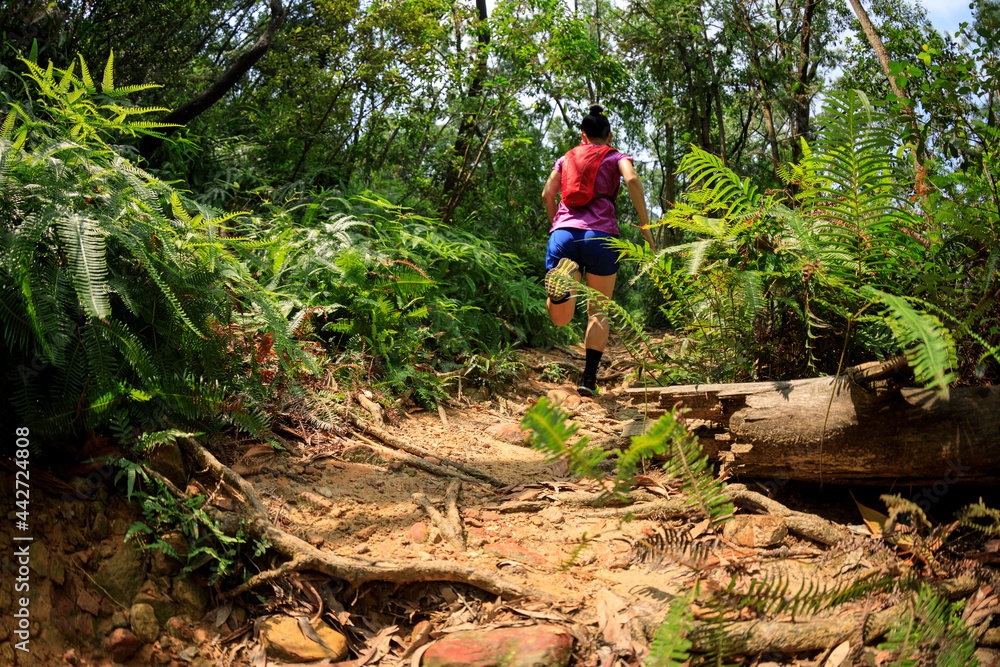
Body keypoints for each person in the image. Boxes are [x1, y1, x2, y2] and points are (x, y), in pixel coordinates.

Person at [541, 104, 657, 396]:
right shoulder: (617, 156)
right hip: (601, 237)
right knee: (598, 310)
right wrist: (646, 227)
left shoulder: (566, 157)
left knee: (561, 317)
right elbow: (630, 179)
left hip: (563, 233)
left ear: (582, 135)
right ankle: (588, 379)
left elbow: (547, 194)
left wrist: (557, 223)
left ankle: (562, 290)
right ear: (609, 134)